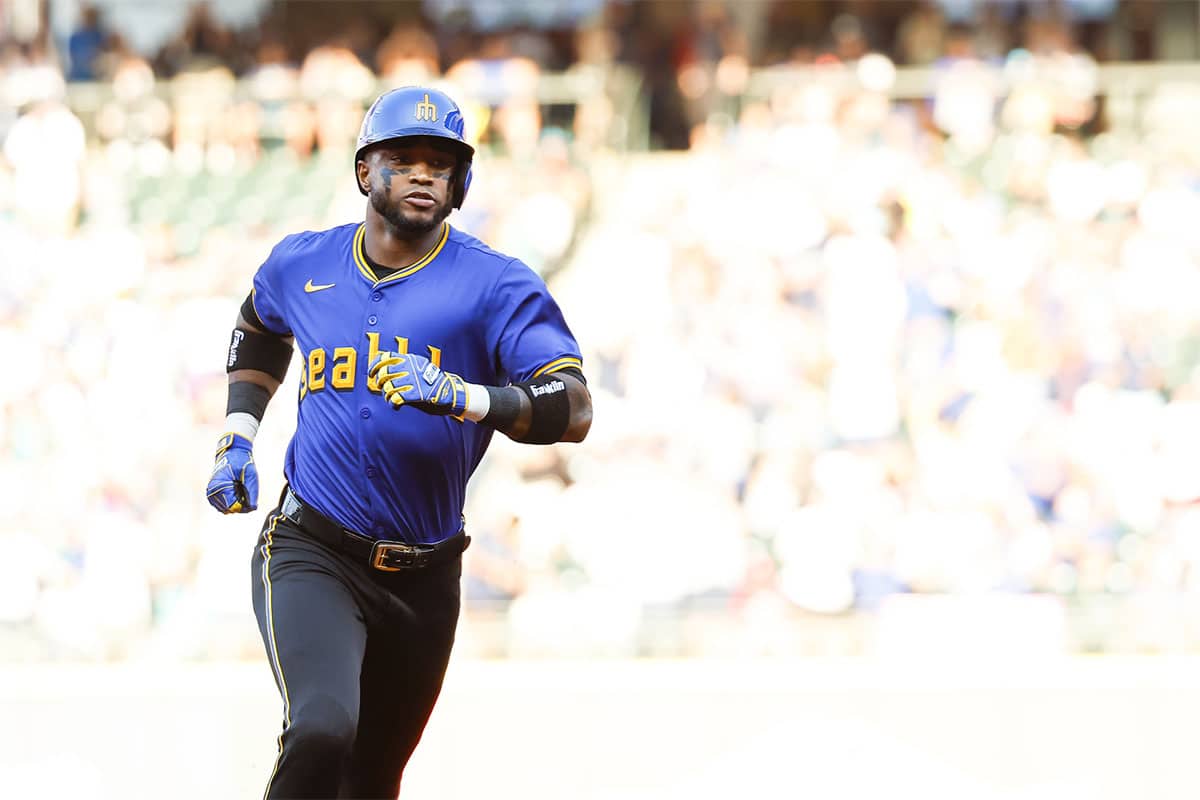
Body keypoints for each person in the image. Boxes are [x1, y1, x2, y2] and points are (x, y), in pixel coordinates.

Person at [205, 85, 592, 799]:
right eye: (403, 158)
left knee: (374, 778)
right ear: (364, 172)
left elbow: (571, 407)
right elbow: (259, 324)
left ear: (460, 182)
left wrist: (467, 396)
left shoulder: (496, 284)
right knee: (321, 727)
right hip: (312, 546)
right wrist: (237, 433)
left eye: (439, 163)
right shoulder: (302, 262)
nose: (422, 174)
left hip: (425, 574)